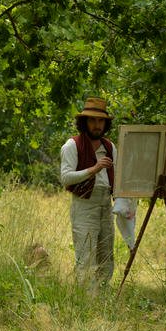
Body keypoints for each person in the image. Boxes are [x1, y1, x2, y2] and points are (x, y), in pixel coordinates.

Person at [59, 96, 118, 287]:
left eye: (101, 121)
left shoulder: (110, 147)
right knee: (86, 256)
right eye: (92, 120)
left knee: (106, 253)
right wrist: (94, 169)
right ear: (84, 122)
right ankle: (86, 299)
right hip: (84, 204)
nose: (97, 125)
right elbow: (66, 178)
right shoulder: (72, 145)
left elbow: (117, 176)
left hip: (106, 204)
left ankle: (103, 296)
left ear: (106, 124)